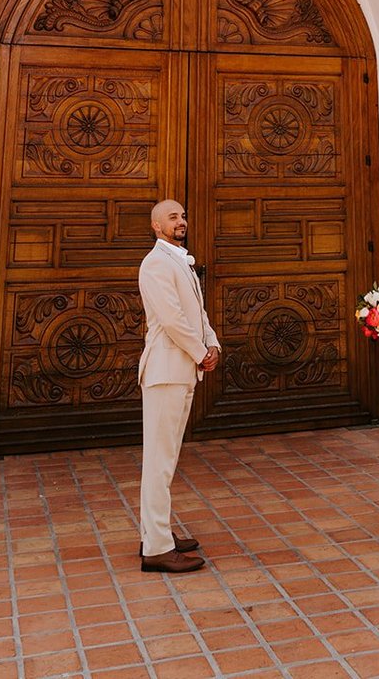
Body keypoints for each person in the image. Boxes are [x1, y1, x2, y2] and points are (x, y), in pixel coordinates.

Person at [137, 197, 220, 574]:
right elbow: (171, 319)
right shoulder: (155, 263)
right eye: (172, 217)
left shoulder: (180, 260)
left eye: (183, 215)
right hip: (166, 369)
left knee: (167, 459)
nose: (180, 221)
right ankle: (155, 547)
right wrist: (200, 352)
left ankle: (158, 533)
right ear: (156, 226)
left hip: (182, 368)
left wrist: (212, 343)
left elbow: (196, 313)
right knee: (158, 460)